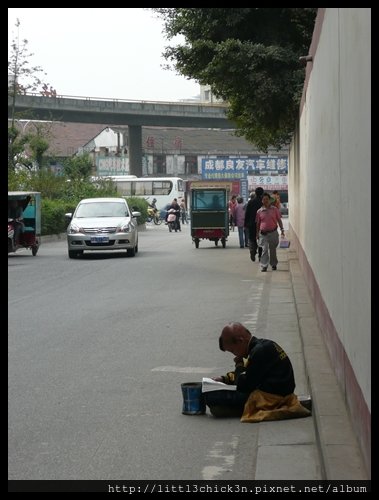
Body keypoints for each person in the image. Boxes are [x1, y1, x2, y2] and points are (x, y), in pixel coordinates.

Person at [204, 322, 311, 421]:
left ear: (240, 341)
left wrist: (239, 365)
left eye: (232, 350)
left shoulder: (259, 352)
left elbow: (242, 385)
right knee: (214, 393)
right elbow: (248, 374)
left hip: (272, 398)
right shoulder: (262, 346)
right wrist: (224, 379)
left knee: (213, 396)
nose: (235, 355)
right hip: (276, 391)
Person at [256, 192, 285, 272]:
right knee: (264, 249)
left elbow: (279, 220)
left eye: (267, 199)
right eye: (264, 199)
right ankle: (264, 265)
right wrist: (257, 234)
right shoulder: (259, 212)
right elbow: (258, 224)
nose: (265, 201)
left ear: (269, 200)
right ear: (262, 201)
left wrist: (282, 229)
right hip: (263, 234)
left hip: (273, 233)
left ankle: (273, 264)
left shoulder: (274, 210)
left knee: (272, 250)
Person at [244, 187, 264, 262]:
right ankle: (260, 255)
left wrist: (245, 224)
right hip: (262, 224)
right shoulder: (263, 202)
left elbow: (247, 214)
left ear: (255, 193)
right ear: (262, 193)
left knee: (252, 239)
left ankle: (252, 250)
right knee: (261, 240)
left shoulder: (251, 202)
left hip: (252, 224)